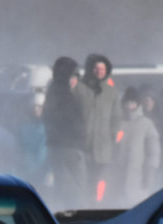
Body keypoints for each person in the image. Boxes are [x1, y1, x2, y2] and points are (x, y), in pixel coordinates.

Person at [43, 56, 88, 208]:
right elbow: (71, 120)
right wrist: (81, 137)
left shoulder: (55, 91)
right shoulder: (62, 94)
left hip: (62, 146)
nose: (74, 79)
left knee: (66, 185)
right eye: (72, 75)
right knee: (74, 187)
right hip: (69, 147)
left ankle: (68, 212)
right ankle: (75, 216)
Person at [77, 53, 122, 204]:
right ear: (90, 69)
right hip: (82, 144)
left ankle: (97, 204)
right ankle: (81, 204)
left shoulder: (111, 92)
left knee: (100, 180)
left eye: (102, 69)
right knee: (82, 178)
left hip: (103, 146)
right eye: (96, 68)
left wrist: (115, 133)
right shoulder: (80, 88)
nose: (99, 71)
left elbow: (117, 116)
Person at [113, 86, 161, 206]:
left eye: (133, 103)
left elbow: (153, 152)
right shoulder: (117, 122)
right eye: (127, 103)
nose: (129, 107)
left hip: (137, 176)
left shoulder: (146, 124)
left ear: (138, 104)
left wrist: (149, 173)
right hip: (116, 175)